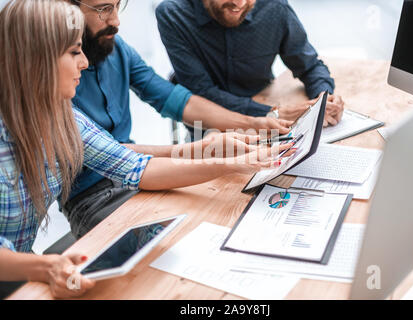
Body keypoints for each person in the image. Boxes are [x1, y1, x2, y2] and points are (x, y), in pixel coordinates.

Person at [0, 0, 291, 299]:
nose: (84, 63)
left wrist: (225, 154)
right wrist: (41, 267)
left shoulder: (61, 116)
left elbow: (135, 166)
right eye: (74, 52)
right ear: (35, 58)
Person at [59, 0, 294, 241]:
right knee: (193, 239)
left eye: (119, 6)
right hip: (97, 195)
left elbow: (175, 100)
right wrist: (207, 152)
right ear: (65, 7)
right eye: (104, 9)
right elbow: (117, 158)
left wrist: (253, 122)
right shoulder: (51, 77)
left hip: (142, 173)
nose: (116, 21)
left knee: (232, 212)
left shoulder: (117, 48)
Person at [156, 0, 345, 128]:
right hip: (209, 125)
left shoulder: (274, 6)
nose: (240, 4)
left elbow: (310, 66)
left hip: (268, 112)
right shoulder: (173, 14)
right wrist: (275, 114)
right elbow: (202, 92)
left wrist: (324, 97)